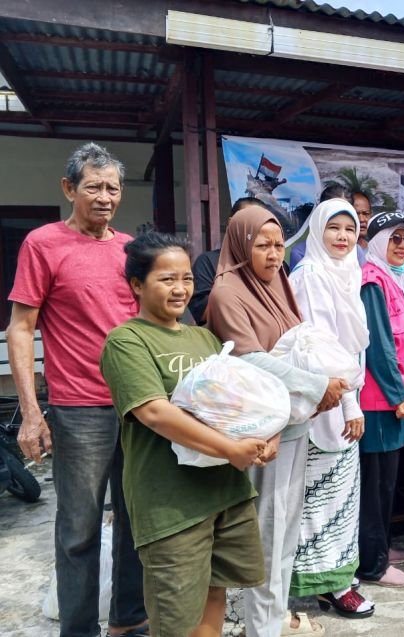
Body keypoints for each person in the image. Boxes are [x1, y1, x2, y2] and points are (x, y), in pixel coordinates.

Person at [7, 142, 147, 637]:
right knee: (79, 529)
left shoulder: (130, 249)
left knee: (136, 521)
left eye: (113, 188)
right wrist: (31, 412)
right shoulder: (43, 244)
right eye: (94, 187)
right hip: (79, 409)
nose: (106, 197)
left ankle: (129, 621)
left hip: (138, 406)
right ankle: (80, 629)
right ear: (69, 189)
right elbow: (21, 327)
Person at [99, 232, 267, 637]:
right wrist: (230, 449)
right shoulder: (127, 341)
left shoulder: (204, 338)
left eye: (187, 278)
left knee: (215, 591)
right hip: (171, 503)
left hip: (224, 491)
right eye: (167, 279)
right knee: (176, 618)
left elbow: (236, 401)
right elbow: (154, 412)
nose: (180, 289)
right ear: (137, 284)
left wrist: (266, 434)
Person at [206, 206, 345, 636]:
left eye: (278, 245)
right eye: (262, 245)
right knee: (266, 532)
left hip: (294, 424)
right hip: (261, 433)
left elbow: (299, 342)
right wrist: (318, 384)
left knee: (285, 532)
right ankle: (261, 628)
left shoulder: (278, 284)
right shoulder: (227, 293)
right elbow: (250, 359)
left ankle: (271, 620)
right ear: (240, 245)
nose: (272, 254)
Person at [288, 199, 375, 617]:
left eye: (350, 228)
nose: (342, 237)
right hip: (325, 404)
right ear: (317, 231)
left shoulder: (346, 272)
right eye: (333, 228)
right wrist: (348, 403)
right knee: (322, 499)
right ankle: (329, 586)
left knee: (342, 497)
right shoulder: (311, 276)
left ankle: (338, 574)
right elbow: (319, 349)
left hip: (345, 398)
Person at [357, 211, 404, 587]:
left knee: (386, 483)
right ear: (378, 242)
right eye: (395, 238)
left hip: (394, 399)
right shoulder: (372, 281)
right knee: (376, 486)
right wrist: (399, 396)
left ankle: (380, 548)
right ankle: (372, 565)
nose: (403, 245)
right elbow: (378, 346)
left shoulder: (394, 277)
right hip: (379, 401)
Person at [189, 197, 288, 326]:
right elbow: (204, 312)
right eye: (247, 221)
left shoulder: (278, 265)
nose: (273, 255)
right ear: (232, 223)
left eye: (260, 221)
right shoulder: (208, 262)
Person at [290, 186, 367, 269]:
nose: (342, 236)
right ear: (321, 213)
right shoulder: (301, 254)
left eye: (346, 211)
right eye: (334, 227)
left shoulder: (356, 252)